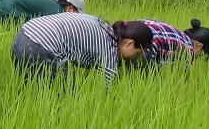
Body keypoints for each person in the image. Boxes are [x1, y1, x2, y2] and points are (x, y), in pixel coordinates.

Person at [11, 14, 152, 84]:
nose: (135, 57)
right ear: (129, 44)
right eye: (137, 53)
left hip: (21, 37)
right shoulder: (109, 51)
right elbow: (104, 93)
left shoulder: (102, 26)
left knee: (35, 90)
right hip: (41, 47)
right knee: (66, 95)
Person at [141, 19, 209, 64]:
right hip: (145, 41)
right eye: (200, 55)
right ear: (199, 46)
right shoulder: (188, 48)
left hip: (133, 28)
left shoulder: (176, 33)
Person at [0, 0, 85, 25]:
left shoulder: (53, 3)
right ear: (70, 7)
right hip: (6, 7)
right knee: (23, 34)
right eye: (76, 13)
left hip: (2, 1)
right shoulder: (56, 12)